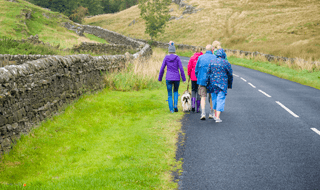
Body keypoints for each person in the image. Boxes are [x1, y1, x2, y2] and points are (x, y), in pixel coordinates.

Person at [206, 48, 233, 122]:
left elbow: (208, 73)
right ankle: (217, 117)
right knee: (220, 99)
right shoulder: (226, 63)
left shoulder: (212, 62)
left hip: (212, 83)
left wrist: (207, 83)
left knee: (214, 99)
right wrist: (229, 84)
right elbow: (230, 75)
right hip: (222, 84)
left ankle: (215, 115)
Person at [158, 42, 186, 113]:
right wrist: (184, 79)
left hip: (169, 78)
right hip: (176, 77)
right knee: (176, 91)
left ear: (168, 51)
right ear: (175, 51)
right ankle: (175, 105)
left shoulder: (166, 58)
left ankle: (171, 109)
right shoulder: (177, 58)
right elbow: (181, 68)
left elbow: (162, 68)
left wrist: (160, 78)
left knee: (170, 94)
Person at [195, 45, 217, 120]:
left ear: (205, 50)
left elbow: (196, 70)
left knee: (203, 97)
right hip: (212, 81)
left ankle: (203, 113)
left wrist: (199, 78)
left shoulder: (200, 57)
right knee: (211, 97)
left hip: (202, 80)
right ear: (212, 50)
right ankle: (211, 113)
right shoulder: (215, 57)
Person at [187, 46, 203, 112]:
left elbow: (189, 67)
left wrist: (189, 74)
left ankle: (193, 106)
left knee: (193, 90)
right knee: (199, 92)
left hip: (193, 77)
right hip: (200, 77)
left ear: (195, 50)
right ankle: (198, 108)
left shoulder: (192, 57)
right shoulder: (202, 57)